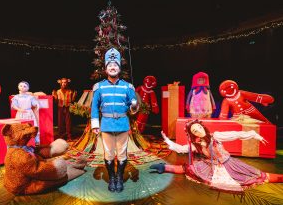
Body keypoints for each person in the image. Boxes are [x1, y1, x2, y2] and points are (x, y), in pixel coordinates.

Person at [150, 119, 283, 192]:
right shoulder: (196, 145)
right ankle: (164, 167)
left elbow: (236, 134)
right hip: (212, 165)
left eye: (199, 128)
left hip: (228, 164)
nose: (198, 131)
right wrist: (167, 140)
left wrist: (254, 135)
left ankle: (280, 178)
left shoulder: (216, 136)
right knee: (189, 169)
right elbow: (180, 149)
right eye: (195, 130)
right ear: (193, 134)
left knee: (256, 176)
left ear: (203, 127)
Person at [91, 47, 139, 193]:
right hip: (106, 125)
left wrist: (134, 105)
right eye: (110, 65)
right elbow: (94, 107)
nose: (112, 67)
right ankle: (112, 177)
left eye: (115, 65)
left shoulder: (128, 86)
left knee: (122, 153)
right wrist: (95, 125)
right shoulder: (99, 87)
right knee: (109, 153)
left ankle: (119, 177)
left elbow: (133, 107)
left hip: (123, 124)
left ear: (119, 68)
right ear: (106, 69)